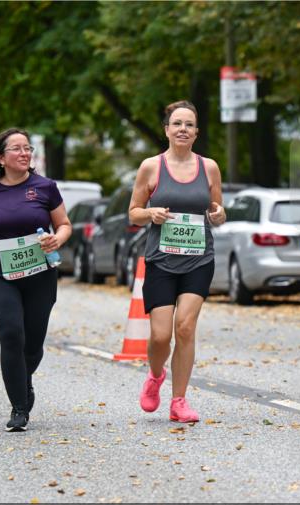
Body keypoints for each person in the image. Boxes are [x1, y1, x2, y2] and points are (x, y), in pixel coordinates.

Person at [0, 128, 72, 432]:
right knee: (11, 333)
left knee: (33, 344)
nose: (25, 153)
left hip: (39, 274)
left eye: (28, 148)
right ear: (1, 158)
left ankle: (22, 381)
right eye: (17, 149)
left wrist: (57, 239)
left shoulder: (45, 187)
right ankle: (19, 408)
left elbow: (64, 224)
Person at [128, 101, 226, 423]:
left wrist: (218, 215)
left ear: (196, 133)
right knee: (159, 336)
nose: (183, 129)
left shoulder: (209, 167)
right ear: (167, 130)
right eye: (177, 124)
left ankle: (179, 401)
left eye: (189, 125)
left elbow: (218, 213)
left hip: (199, 260)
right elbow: (134, 212)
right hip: (160, 260)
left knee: (184, 328)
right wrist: (150, 213)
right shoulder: (151, 167)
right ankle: (155, 376)